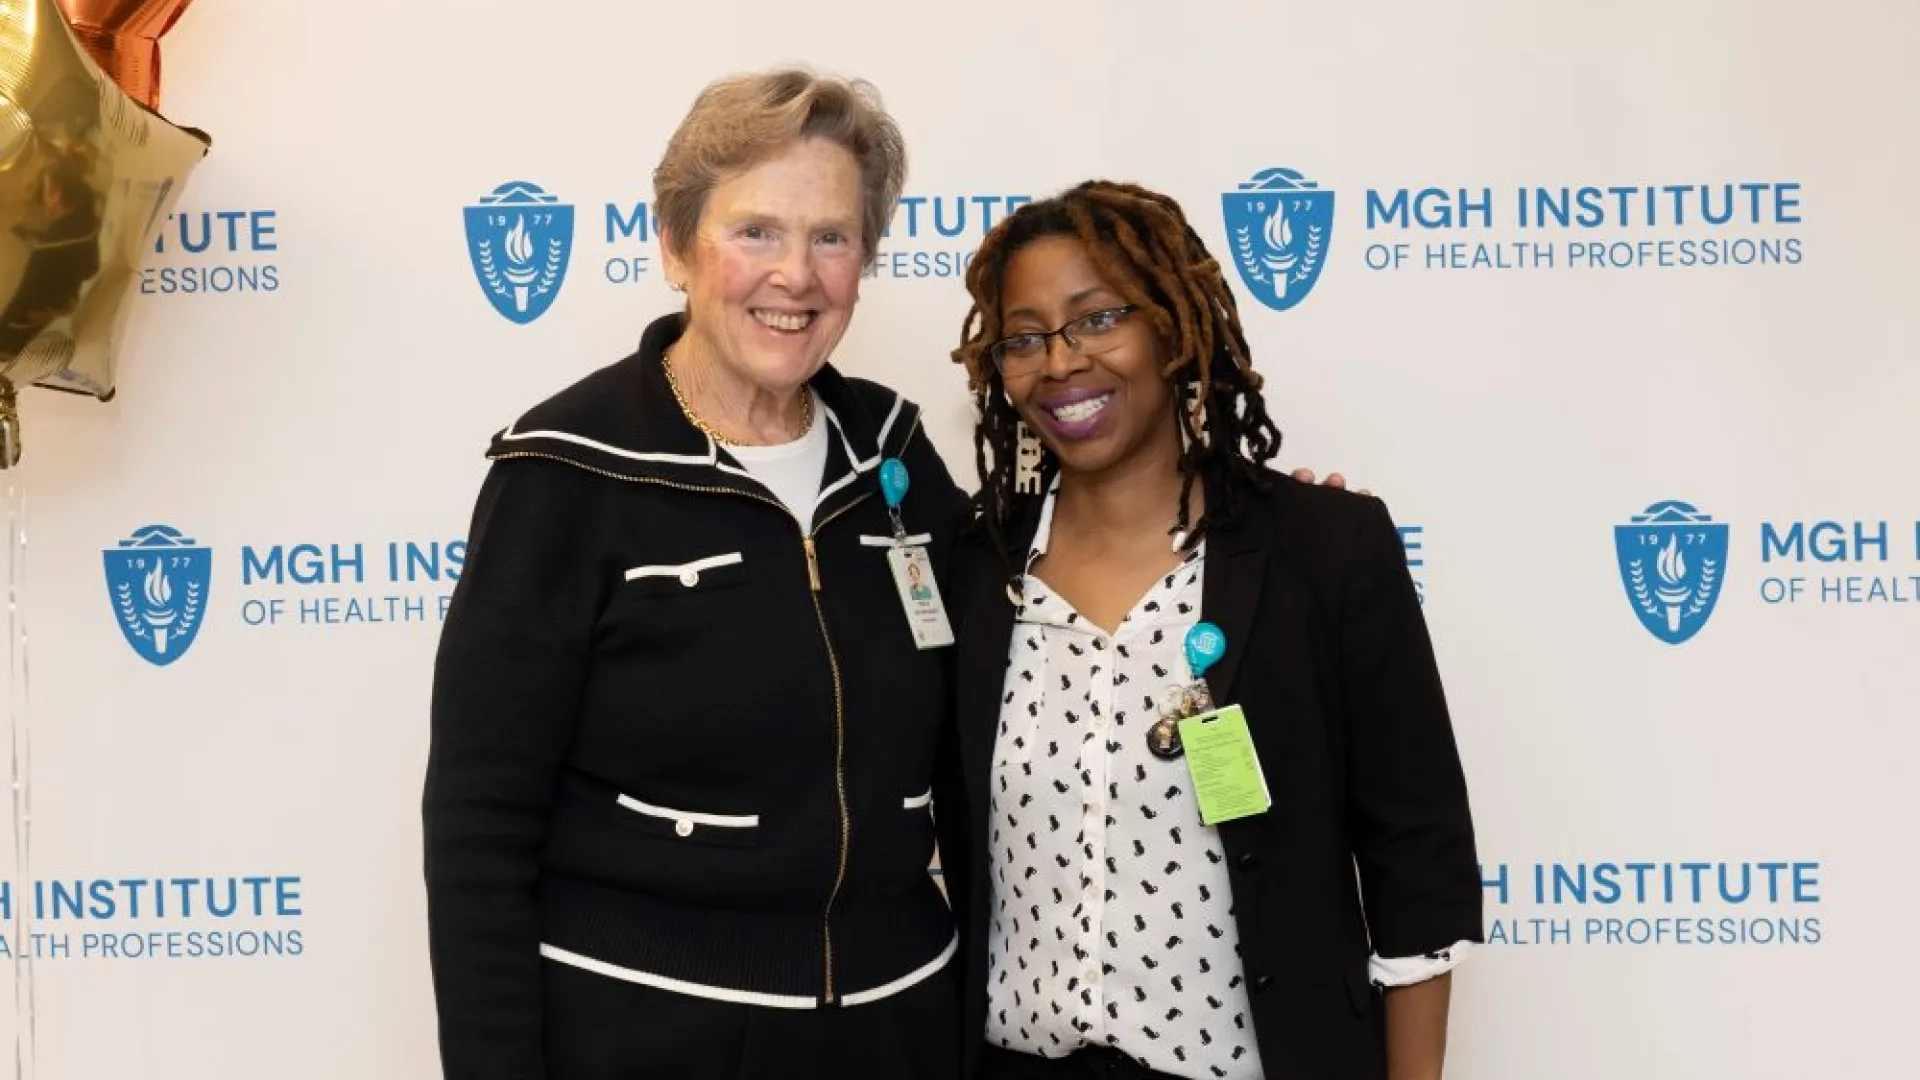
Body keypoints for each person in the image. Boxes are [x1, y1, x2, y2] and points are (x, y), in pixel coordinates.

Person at [421, 69, 974, 1080]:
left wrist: (1246, 540)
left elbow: (1012, 676)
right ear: (676, 246)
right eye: (755, 231)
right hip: (648, 1031)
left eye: (832, 237)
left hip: (899, 1025)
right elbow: (478, 828)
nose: (796, 276)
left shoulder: (894, 459)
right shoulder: (564, 472)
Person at [942, 181, 1483, 1080]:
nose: (1061, 362)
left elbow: (1417, 857)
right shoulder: (973, 571)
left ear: (1171, 328)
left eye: (1096, 318)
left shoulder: (1322, 551)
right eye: (1024, 337)